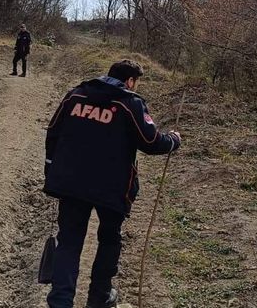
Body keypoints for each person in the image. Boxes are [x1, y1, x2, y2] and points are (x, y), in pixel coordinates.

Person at [43, 59, 181, 308]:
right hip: (112, 188)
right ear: (130, 81)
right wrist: (173, 140)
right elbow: (151, 142)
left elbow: (53, 131)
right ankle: (100, 297)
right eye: (135, 82)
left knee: (69, 242)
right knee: (109, 239)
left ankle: (60, 302)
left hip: (71, 183)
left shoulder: (75, 96)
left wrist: (51, 169)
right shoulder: (130, 104)